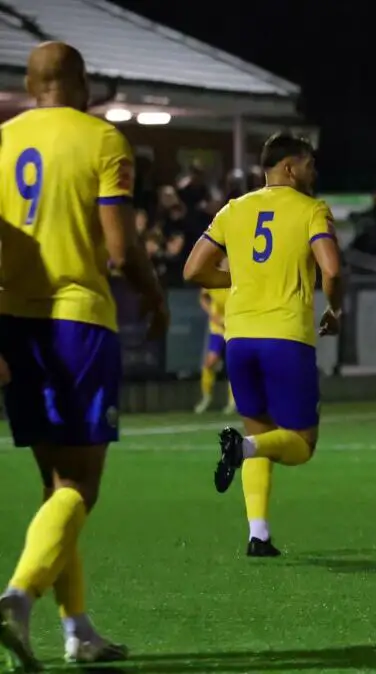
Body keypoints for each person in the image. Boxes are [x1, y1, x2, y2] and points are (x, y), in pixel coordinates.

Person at [0, 41, 168, 670]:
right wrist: (154, 296)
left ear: (28, 82)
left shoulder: (3, 140)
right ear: (81, 82)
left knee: (53, 486)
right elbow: (120, 250)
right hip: (76, 321)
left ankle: (78, 632)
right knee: (82, 486)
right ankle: (19, 595)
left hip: (15, 322)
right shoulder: (102, 140)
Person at [183, 132, 343, 558]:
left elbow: (193, 269)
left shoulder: (233, 209)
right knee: (300, 444)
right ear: (290, 167)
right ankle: (244, 449)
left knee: (260, 430)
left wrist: (239, 279)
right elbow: (332, 269)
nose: (314, 170)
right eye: (308, 163)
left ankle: (258, 534)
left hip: (239, 338)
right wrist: (336, 310)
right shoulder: (312, 210)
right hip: (285, 337)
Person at [195, 284, 237, 415]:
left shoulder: (236, 277)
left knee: (234, 365)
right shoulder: (213, 277)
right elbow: (203, 298)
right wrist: (212, 314)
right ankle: (206, 396)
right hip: (217, 328)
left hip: (234, 327)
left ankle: (233, 401)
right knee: (210, 362)